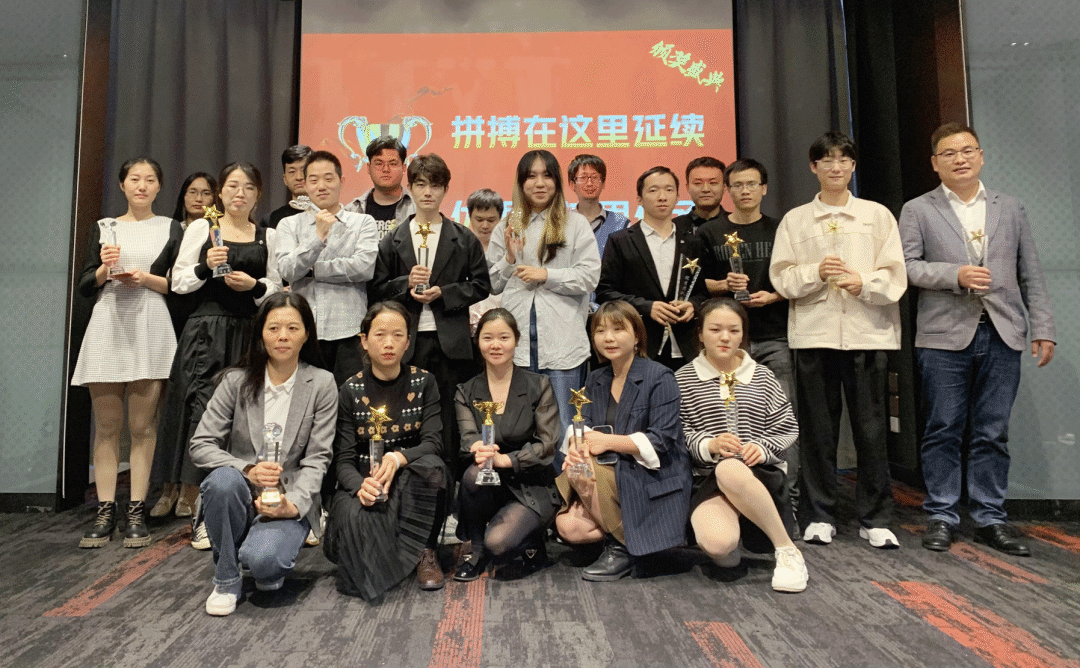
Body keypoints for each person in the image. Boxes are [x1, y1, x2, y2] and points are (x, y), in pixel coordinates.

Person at [899, 122, 1055, 556]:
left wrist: (1043, 327)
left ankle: (990, 517)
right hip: (943, 335)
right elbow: (906, 266)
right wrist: (955, 275)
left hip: (1003, 331)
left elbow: (1030, 272)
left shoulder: (1011, 207)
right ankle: (942, 514)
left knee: (992, 432)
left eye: (967, 150)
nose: (960, 159)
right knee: (943, 428)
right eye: (949, 153)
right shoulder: (918, 209)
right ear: (935, 163)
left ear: (981, 156)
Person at [769, 131, 906, 549]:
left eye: (843, 159)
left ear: (853, 166)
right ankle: (819, 515)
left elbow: (895, 275)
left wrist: (862, 282)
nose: (835, 167)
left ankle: (875, 518)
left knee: (872, 431)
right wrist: (816, 273)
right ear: (813, 167)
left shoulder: (876, 215)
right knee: (818, 431)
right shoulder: (795, 220)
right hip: (815, 336)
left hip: (869, 334)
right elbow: (781, 278)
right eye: (826, 160)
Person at [155, 162, 282, 545]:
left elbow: (277, 287)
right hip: (206, 334)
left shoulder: (268, 236)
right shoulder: (201, 229)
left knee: (249, 419)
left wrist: (254, 285)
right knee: (203, 418)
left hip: (250, 332)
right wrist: (203, 266)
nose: (240, 194)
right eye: (232, 186)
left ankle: (248, 506)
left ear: (258, 195)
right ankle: (203, 514)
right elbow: (178, 282)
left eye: (248, 187)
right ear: (221, 192)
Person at [189, 292, 335, 616]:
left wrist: (293, 504)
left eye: (292, 328)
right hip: (240, 493)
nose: (283, 336)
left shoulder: (322, 383)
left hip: (287, 495)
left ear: (306, 334)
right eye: (273, 328)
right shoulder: (235, 381)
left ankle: (256, 555)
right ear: (260, 334)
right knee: (222, 481)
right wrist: (247, 469)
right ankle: (226, 579)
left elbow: (318, 458)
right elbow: (201, 444)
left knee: (265, 564)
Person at [72, 157, 182, 549]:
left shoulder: (171, 227)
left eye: (150, 179)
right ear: (122, 185)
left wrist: (146, 278)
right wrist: (105, 270)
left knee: (142, 426)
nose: (142, 185)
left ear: (159, 187)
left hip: (150, 322)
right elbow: (86, 283)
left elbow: (180, 284)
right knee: (106, 426)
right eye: (134, 179)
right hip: (108, 323)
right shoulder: (105, 227)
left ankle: (136, 509)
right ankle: (105, 510)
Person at [675, 298, 807, 592]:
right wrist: (708, 444)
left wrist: (761, 447)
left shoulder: (763, 376)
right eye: (715, 330)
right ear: (700, 334)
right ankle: (732, 541)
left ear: (743, 335)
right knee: (718, 545)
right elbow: (676, 432)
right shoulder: (683, 379)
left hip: (758, 474)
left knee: (731, 469)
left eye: (734, 331)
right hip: (707, 478)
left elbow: (787, 427)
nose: (725, 337)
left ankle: (787, 550)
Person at [370, 154, 491, 473]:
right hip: (406, 343)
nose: (427, 192)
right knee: (406, 412)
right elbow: (377, 289)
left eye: (435, 186)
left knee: (451, 416)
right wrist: (404, 283)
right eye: (421, 184)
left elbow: (482, 285)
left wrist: (445, 293)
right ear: (410, 187)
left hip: (450, 342)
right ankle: (407, 476)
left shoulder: (463, 237)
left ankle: (449, 482)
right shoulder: (393, 239)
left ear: (445, 190)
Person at [697, 159, 799, 536]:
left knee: (779, 419)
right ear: (729, 190)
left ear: (764, 188)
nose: (744, 191)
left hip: (773, 335)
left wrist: (774, 295)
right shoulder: (710, 232)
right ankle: (733, 499)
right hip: (724, 342)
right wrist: (724, 285)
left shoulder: (781, 228)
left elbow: (796, 277)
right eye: (737, 185)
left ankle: (787, 502)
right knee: (724, 419)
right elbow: (696, 283)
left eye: (752, 184)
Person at [554, 301, 691, 581]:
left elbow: (662, 440)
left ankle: (621, 548)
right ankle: (638, 545)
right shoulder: (596, 378)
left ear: (637, 335)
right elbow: (583, 427)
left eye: (618, 329)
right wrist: (577, 448)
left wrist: (608, 442)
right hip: (612, 469)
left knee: (586, 471)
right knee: (569, 526)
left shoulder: (659, 376)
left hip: (653, 473)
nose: (609, 338)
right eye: (600, 331)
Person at [323, 302, 450, 599]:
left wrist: (397, 457)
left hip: (409, 477)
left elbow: (433, 443)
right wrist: (360, 486)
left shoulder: (424, 381)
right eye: (380, 335)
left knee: (434, 468)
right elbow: (343, 461)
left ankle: (426, 550)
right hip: (366, 480)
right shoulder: (349, 390)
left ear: (408, 342)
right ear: (364, 341)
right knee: (359, 569)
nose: (389, 343)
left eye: (397, 335)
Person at [486, 150, 602, 432]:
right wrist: (509, 259)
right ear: (521, 183)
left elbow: (589, 277)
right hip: (518, 347)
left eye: (547, 176)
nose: (539, 183)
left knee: (564, 425)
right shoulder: (507, 225)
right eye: (531, 176)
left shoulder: (576, 224)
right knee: (518, 427)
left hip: (562, 345)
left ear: (557, 182)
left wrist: (547, 275)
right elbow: (491, 283)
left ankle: (564, 465)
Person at [453, 309, 561, 581]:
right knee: (473, 474)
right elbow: (468, 438)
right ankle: (476, 552)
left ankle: (533, 539)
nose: (496, 345)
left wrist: (508, 460)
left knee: (499, 545)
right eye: (487, 338)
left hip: (531, 482)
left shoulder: (539, 385)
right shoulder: (466, 391)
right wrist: (478, 448)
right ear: (478, 342)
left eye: (504, 337)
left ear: (516, 340)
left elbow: (548, 445)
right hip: (490, 482)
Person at [276, 150, 378, 386]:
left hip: (350, 331)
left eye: (328, 178)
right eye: (313, 180)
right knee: (304, 399)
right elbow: (287, 271)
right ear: (305, 185)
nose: (321, 186)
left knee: (350, 400)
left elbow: (363, 267)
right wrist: (317, 237)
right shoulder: (288, 225)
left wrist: (312, 270)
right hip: (304, 332)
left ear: (341, 181)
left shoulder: (362, 222)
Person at [597, 166, 709, 371]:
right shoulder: (621, 241)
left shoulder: (693, 242)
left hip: (686, 346)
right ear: (639, 199)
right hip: (641, 344)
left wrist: (693, 305)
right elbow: (605, 292)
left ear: (678, 197)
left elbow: (703, 292)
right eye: (653, 190)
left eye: (669, 190)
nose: (662, 197)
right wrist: (647, 307)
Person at [163, 172, 219, 347]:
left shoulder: (220, 232)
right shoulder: (169, 230)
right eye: (192, 192)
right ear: (183, 196)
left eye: (206, 193)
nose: (199, 199)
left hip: (204, 306)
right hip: (169, 303)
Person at [344, 137, 416, 240]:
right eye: (379, 163)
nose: (386, 169)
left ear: (404, 168)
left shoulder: (418, 209)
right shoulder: (352, 211)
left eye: (393, 164)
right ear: (368, 168)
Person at [567, 154, 629, 260]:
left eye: (595, 177)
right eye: (583, 178)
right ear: (572, 184)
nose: (589, 183)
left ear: (603, 183)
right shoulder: (562, 223)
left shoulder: (621, 224)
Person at [465, 188, 504, 334]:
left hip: (501, 326)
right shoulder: (459, 250)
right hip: (467, 329)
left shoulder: (510, 251)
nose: (485, 225)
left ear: (500, 219)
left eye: (491, 220)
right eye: (479, 219)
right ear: (470, 217)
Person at [262, 145, 312, 229]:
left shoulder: (327, 214)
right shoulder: (270, 219)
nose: (299, 177)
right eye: (292, 171)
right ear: (285, 179)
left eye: (304, 170)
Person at [673, 157, 728, 232]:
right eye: (698, 183)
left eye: (713, 183)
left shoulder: (738, 225)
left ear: (724, 187)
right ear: (688, 187)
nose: (706, 189)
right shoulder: (674, 227)